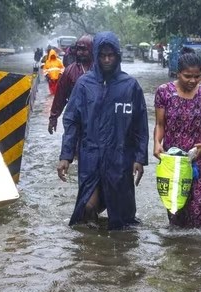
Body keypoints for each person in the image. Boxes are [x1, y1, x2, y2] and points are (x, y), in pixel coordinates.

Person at [57, 31, 149, 230]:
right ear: (96, 55)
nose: (107, 60)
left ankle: (115, 256)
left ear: (118, 56)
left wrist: (140, 158)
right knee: (87, 208)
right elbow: (71, 120)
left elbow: (140, 126)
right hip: (91, 156)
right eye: (102, 55)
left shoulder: (130, 86)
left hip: (120, 158)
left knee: (122, 221)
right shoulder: (84, 84)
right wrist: (66, 155)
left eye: (111, 55)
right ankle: (92, 256)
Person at [153, 48, 201, 228]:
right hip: (172, 160)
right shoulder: (164, 92)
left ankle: (199, 250)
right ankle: (178, 250)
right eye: (187, 76)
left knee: (199, 210)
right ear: (178, 73)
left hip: (200, 159)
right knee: (175, 209)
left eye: (197, 77)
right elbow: (160, 124)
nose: (192, 81)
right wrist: (156, 144)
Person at [48, 34, 93, 134]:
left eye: (84, 49)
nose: (81, 52)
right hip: (74, 117)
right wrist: (53, 118)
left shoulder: (100, 70)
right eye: (79, 49)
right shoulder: (70, 71)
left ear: (92, 50)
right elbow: (60, 96)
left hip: (95, 119)